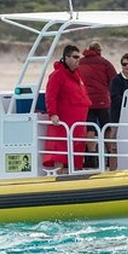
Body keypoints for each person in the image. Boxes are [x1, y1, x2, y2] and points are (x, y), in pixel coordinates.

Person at [43, 45, 92, 173]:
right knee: (61, 148)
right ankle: (58, 174)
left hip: (78, 123)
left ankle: (75, 173)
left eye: (79, 57)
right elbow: (50, 96)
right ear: (66, 57)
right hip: (64, 122)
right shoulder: (57, 75)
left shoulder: (76, 75)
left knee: (77, 148)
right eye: (75, 57)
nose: (78, 60)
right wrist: (53, 114)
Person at [77, 41, 117, 168]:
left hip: (85, 100)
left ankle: (91, 156)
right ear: (99, 51)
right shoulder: (105, 63)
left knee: (90, 129)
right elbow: (113, 80)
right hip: (102, 101)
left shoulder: (80, 62)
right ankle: (110, 155)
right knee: (107, 128)